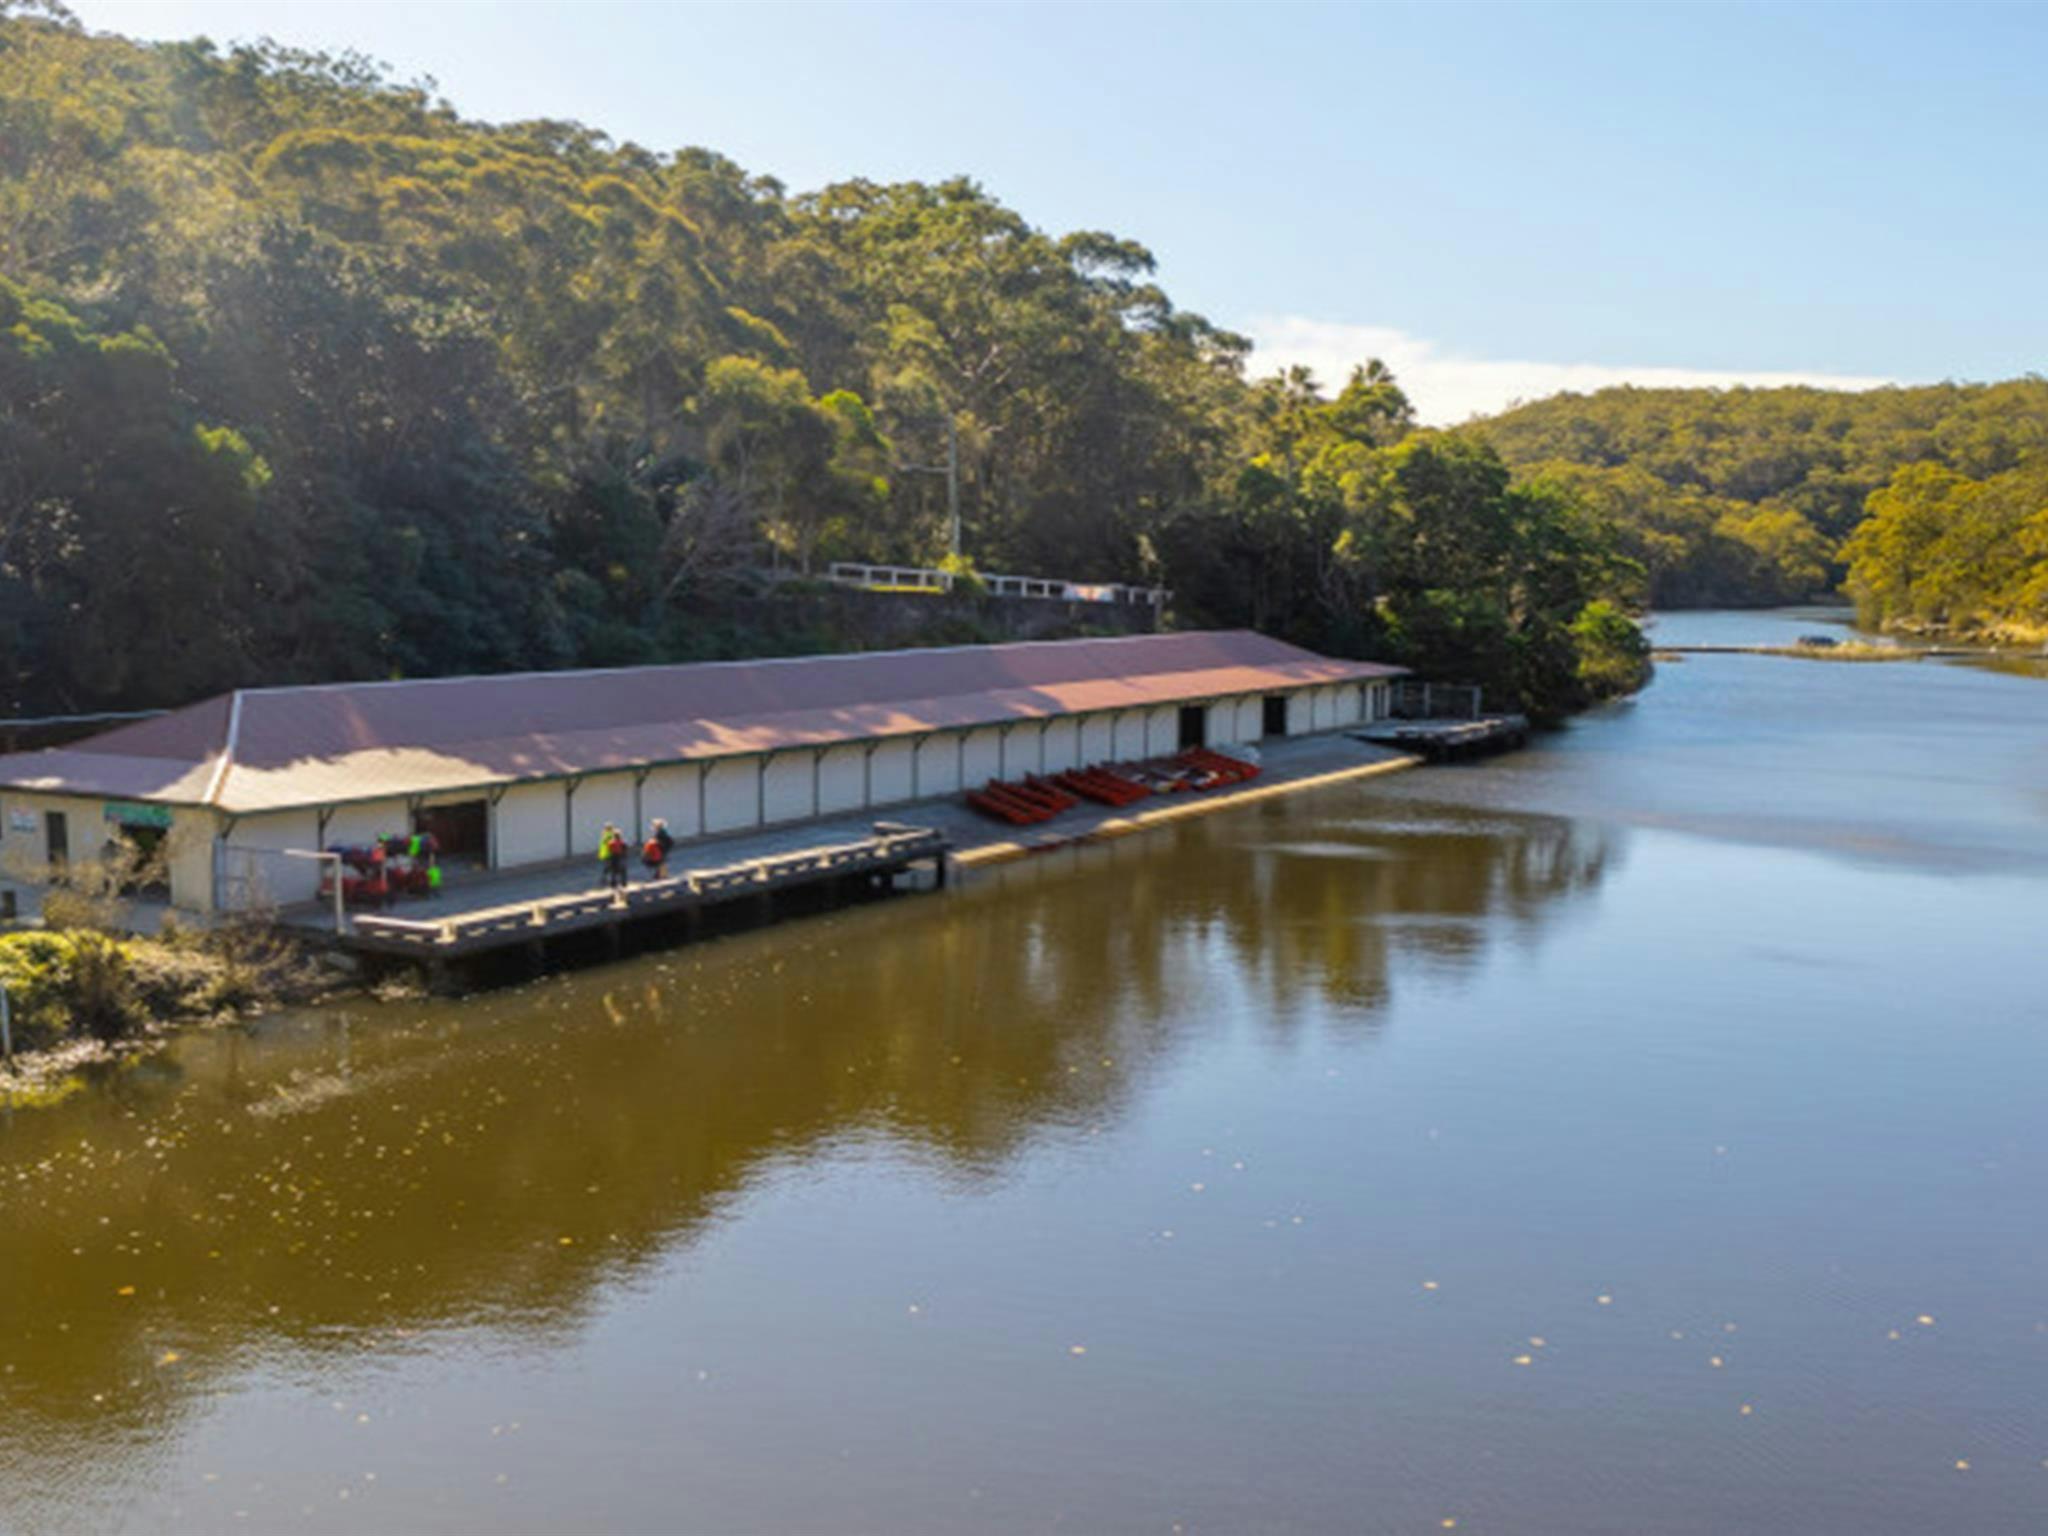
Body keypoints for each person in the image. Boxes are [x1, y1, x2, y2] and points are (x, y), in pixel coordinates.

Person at [600, 824, 629, 891]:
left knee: (613, 871)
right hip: (620, 858)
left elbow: (609, 848)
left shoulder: (610, 842)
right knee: (623, 871)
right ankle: (624, 883)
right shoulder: (622, 842)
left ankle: (613, 884)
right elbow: (625, 850)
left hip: (612, 858)